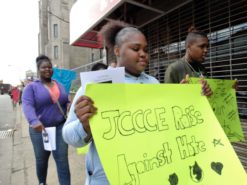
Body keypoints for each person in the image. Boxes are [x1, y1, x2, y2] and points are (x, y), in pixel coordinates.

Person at [62, 20, 159, 185]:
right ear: (117, 51)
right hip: (108, 178)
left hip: (149, 171)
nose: (143, 54)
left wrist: (188, 96)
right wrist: (84, 125)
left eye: (146, 50)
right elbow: (68, 137)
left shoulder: (154, 83)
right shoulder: (97, 86)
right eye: (136, 49)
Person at [22, 55, 71, 185]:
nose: (48, 69)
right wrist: (33, 121)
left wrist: (69, 105)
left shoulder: (59, 85)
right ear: (38, 69)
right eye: (44, 67)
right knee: (42, 160)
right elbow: (27, 105)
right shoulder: (31, 87)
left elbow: (65, 100)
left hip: (60, 127)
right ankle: (42, 183)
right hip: (41, 130)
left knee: (62, 160)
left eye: (50, 67)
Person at [165, 27, 212, 96]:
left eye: (207, 47)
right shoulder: (174, 69)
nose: (206, 50)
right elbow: (167, 99)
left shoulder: (202, 68)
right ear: (188, 47)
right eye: (202, 46)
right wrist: (179, 93)